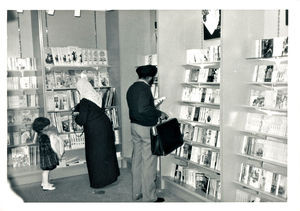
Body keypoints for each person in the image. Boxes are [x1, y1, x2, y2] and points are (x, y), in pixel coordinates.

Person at [126, 65, 168, 202]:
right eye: (153, 78)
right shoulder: (145, 88)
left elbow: (138, 108)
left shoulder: (132, 88)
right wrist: (159, 113)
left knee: (137, 160)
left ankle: (136, 193)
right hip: (145, 128)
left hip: (134, 126)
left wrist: (151, 106)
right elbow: (143, 108)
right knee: (149, 163)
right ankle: (149, 197)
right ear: (150, 77)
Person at [73, 78, 120, 193]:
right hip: (105, 126)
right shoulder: (96, 95)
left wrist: (75, 117)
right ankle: (111, 177)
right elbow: (94, 109)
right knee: (107, 152)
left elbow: (82, 120)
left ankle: (99, 181)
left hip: (94, 130)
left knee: (95, 155)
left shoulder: (84, 100)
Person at [32, 117, 60, 191]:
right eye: (47, 125)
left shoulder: (40, 133)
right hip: (47, 155)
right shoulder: (44, 135)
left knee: (46, 170)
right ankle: (45, 185)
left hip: (45, 155)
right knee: (46, 170)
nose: (49, 126)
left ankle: (44, 183)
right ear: (43, 127)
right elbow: (50, 144)